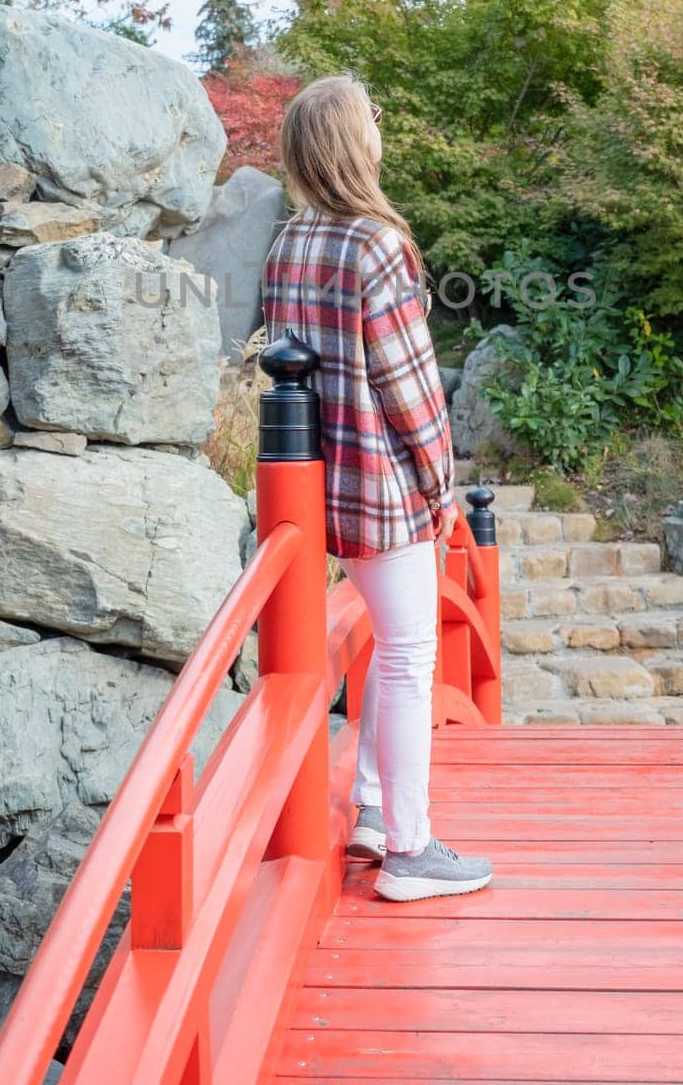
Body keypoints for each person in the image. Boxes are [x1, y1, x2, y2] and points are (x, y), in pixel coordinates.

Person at [260, 73, 492, 902]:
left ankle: (366, 808)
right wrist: (442, 488)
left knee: (385, 651)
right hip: (381, 485)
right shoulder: (376, 243)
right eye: (375, 118)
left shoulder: (289, 242)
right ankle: (410, 848)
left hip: (319, 485)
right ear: (353, 142)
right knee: (405, 657)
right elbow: (410, 389)